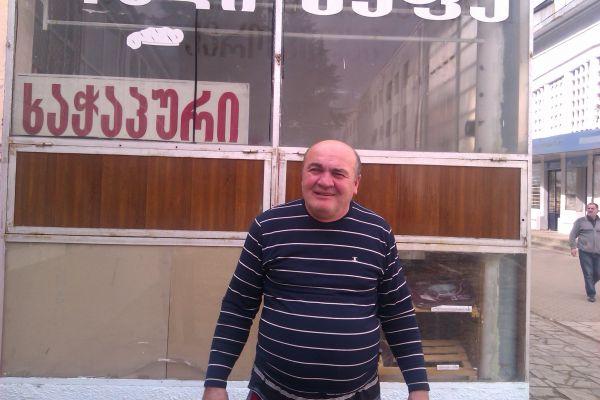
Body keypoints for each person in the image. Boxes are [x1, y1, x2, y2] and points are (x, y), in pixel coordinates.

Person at [203, 140, 430, 400]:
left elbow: (398, 314)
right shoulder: (268, 228)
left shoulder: (377, 234)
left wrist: (418, 388)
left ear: (356, 183)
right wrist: (215, 382)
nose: (325, 181)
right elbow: (238, 308)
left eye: (338, 173)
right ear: (302, 176)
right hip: (272, 393)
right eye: (315, 169)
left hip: (358, 395)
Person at [569, 202, 600, 302]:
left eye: (592, 208)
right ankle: (591, 294)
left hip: (598, 252)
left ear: (597, 210)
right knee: (588, 273)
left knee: (598, 273)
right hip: (585, 252)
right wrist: (573, 247)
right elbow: (572, 235)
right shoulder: (580, 221)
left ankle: (589, 284)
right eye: (588, 208)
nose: (590, 210)